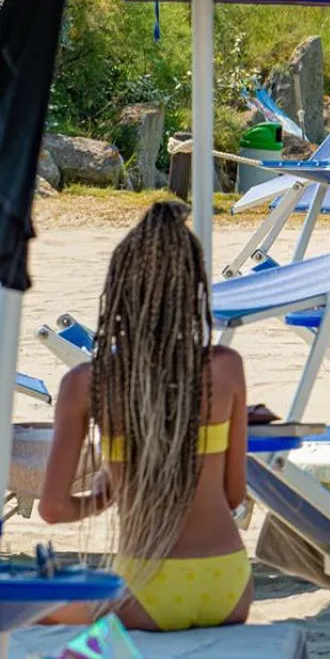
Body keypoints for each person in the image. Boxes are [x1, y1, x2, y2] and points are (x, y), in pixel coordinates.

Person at [39, 201, 251, 632]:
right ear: (194, 289)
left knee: (25, 619)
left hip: (147, 588)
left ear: (119, 292)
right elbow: (232, 497)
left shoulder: (87, 383)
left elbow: (54, 509)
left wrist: (106, 495)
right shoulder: (226, 367)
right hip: (228, 584)